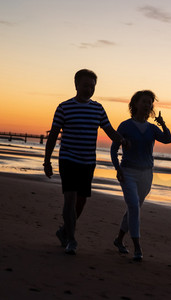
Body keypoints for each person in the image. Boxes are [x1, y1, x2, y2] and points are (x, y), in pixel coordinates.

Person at [44, 69, 126, 255]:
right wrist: (47, 161)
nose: (89, 89)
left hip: (88, 161)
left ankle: (64, 231)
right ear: (76, 85)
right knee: (70, 198)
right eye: (85, 85)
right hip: (68, 159)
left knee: (81, 201)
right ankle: (71, 240)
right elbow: (53, 135)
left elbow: (110, 130)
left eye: (92, 86)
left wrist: (123, 140)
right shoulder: (64, 107)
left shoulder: (97, 108)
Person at [110, 90, 171, 261]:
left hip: (146, 174)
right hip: (128, 172)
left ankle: (119, 240)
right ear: (135, 104)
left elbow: (168, 140)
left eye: (150, 102)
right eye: (144, 101)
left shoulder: (152, 128)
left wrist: (162, 124)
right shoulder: (125, 126)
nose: (147, 105)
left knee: (134, 207)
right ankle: (137, 247)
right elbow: (114, 150)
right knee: (134, 207)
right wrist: (118, 169)